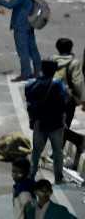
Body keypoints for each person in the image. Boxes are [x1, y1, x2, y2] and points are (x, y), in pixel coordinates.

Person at [0, 0, 43, 81]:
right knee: (33, 49)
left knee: (23, 51)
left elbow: (10, 5)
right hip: (31, 23)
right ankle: (37, 72)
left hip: (21, 25)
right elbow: (26, 3)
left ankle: (25, 74)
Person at [25, 58, 69, 184]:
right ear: (54, 70)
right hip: (56, 124)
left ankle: (31, 175)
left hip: (39, 122)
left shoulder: (31, 84)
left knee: (36, 151)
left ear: (42, 69)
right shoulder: (58, 84)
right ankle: (58, 177)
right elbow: (65, 102)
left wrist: (32, 120)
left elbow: (29, 103)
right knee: (57, 151)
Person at [54, 38, 85, 167]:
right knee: (64, 124)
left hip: (52, 98)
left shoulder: (52, 60)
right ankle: (76, 141)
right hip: (68, 100)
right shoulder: (74, 63)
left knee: (57, 125)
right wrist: (83, 99)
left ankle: (58, 151)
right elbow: (77, 82)